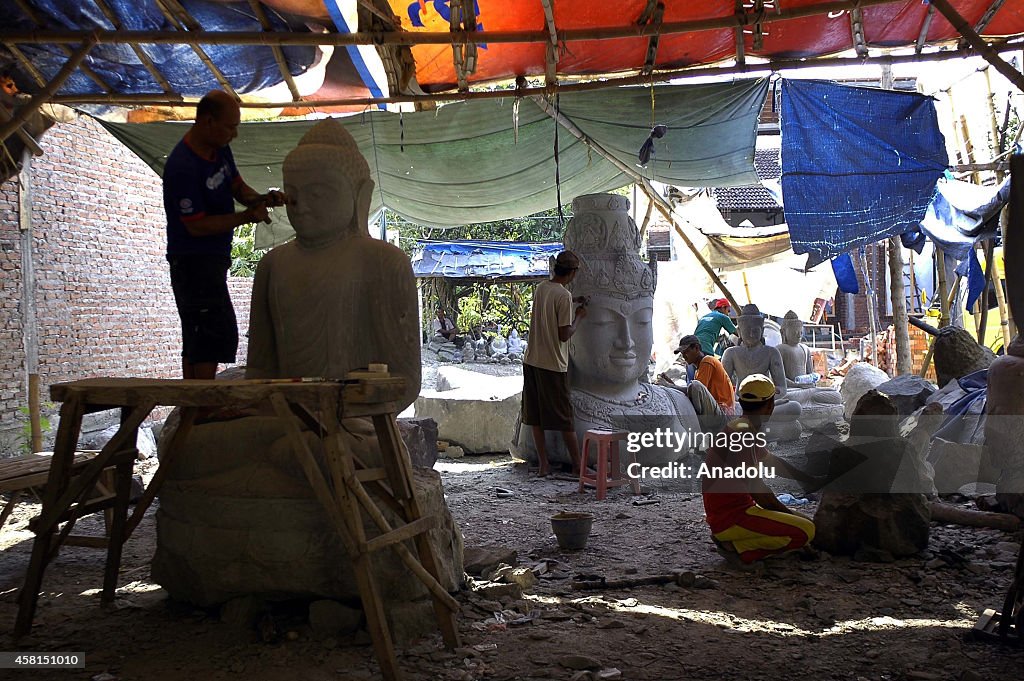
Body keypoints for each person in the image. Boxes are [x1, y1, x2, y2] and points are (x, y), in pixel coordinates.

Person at [163, 89, 287, 380]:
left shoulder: (218, 148)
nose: (234, 134)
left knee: (206, 332)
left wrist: (261, 200)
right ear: (207, 122)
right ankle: (201, 406)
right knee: (208, 331)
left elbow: (236, 186)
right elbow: (196, 225)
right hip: (192, 261)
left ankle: (197, 404)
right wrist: (245, 217)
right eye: (230, 127)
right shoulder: (183, 166)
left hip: (213, 258)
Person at [701, 374, 817, 564]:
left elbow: (771, 461)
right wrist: (785, 513)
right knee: (806, 531)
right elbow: (761, 495)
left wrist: (805, 478)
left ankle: (737, 540)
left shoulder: (741, 427)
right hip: (732, 517)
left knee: (807, 524)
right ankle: (739, 548)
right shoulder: (742, 433)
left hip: (732, 512)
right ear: (770, 406)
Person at [521, 250, 587, 477]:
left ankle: (543, 464)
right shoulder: (564, 296)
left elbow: (551, 307)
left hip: (532, 360)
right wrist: (579, 316)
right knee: (564, 418)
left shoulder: (542, 288)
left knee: (535, 415)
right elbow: (564, 334)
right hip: (552, 364)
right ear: (572, 273)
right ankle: (578, 465)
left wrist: (573, 302)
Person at [674, 334, 736, 414]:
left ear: (696, 348)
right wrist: (671, 385)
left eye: (686, 352)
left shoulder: (707, 361)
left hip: (723, 409)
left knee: (695, 386)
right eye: (682, 353)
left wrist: (672, 386)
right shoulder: (698, 369)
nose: (684, 356)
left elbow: (696, 392)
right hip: (718, 407)